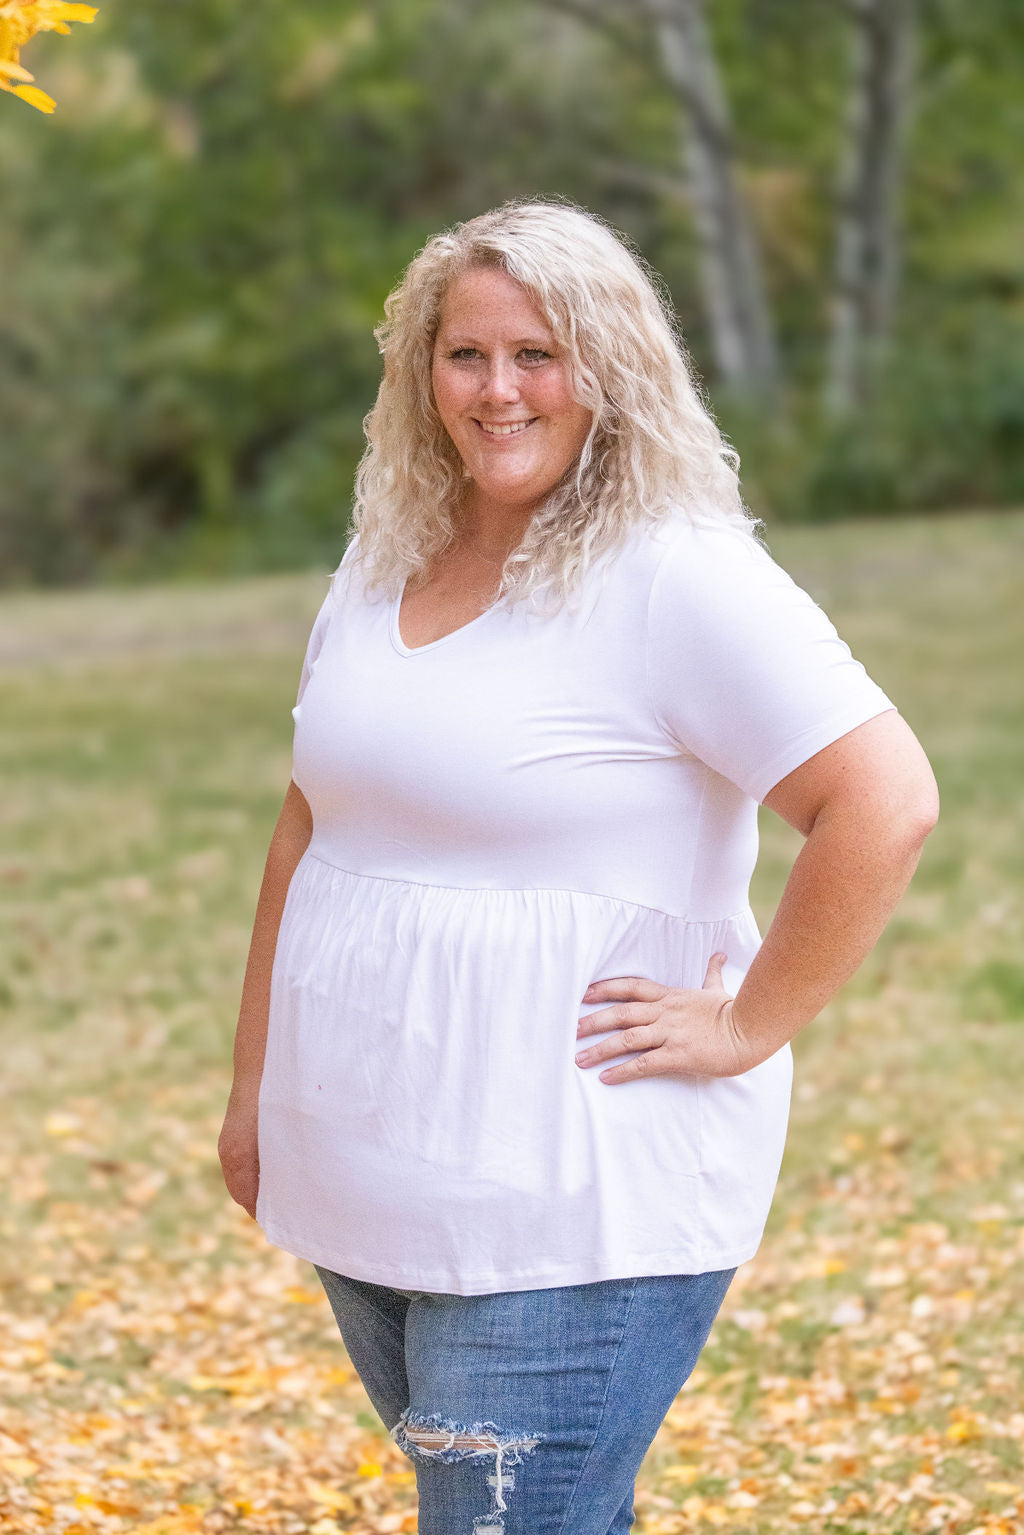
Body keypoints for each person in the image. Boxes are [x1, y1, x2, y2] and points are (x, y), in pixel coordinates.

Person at [218, 198, 939, 1535]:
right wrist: (257, 1084)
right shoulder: (386, 559)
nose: (498, 390)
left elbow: (884, 801)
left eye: (537, 355)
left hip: (570, 1204)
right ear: (423, 372)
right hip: (370, 1177)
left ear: (608, 368)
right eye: (466, 354)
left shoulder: (679, 576)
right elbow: (309, 824)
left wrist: (745, 1024)